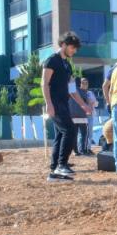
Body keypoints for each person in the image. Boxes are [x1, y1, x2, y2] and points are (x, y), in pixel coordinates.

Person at [42, 32, 81, 181]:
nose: (74, 51)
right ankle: (61, 164)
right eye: (72, 48)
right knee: (69, 130)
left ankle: (55, 172)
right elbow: (44, 83)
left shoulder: (67, 64)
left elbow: (72, 89)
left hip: (64, 103)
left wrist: (83, 105)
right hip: (55, 103)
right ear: (63, 45)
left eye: (75, 49)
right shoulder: (52, 60)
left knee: (60, 134)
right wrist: (48, 103)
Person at [75, 78, 97, 155]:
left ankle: (88, 148)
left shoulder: (90, 93)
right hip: (82, 115)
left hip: (90, 114)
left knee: (89, 133)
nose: (85, 85)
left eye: (86, 83)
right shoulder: (78, 92)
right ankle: (81, 149)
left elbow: (95, 103)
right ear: (80, 84)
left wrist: (92, 103)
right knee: (82, 133)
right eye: (83, 83)